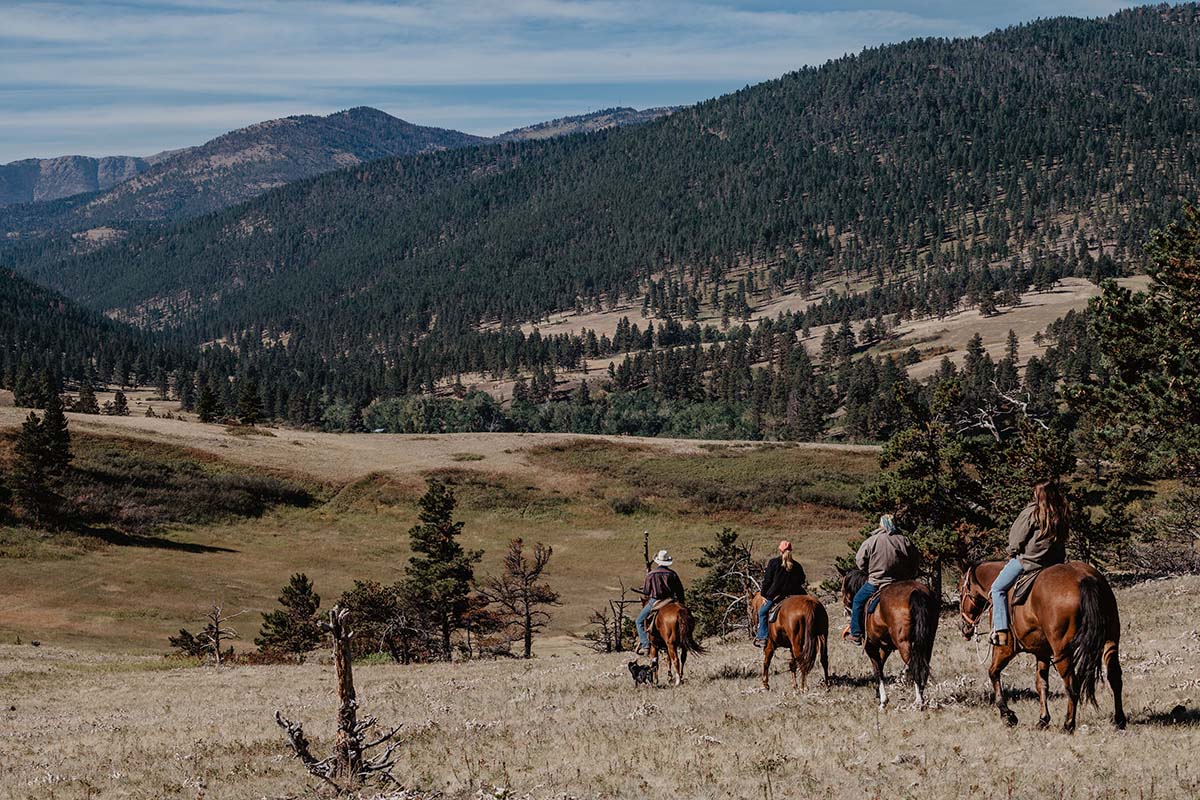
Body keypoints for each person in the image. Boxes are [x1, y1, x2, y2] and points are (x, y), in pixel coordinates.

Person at [990, 481, 1070, 647]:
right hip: (1055, 563)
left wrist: (1012, 550)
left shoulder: (1032, 512)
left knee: (997, 588)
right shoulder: (1062, 512)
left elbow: (1016, 539)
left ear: (1037, 494)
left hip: (1029, 562)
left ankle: (1001, 631)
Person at [847, 514, 918, 646]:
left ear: (881, 525)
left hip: (877, 582)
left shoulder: (871, 541)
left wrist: (868, 570)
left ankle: (856, 633)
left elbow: (859, 561)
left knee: (857, 601)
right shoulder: (904, 540)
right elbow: (915, 559)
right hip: (900, 583)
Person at [755, 539, 807, 646]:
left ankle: (762, 637)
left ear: (780, 550)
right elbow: (802, 580)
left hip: (777, 595)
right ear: (791, 550)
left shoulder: (773, 563)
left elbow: (767, 580)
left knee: (762, 612)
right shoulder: (797, 565)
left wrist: (764, 594)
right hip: (797, 594)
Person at [636, 549, 686, 655]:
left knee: (639, 621)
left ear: (658, 561)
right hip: (670, 600)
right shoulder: (672, 574)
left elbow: (646, 591)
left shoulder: (651, 574)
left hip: (655, 600)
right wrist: (681, 603)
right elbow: (680, 591)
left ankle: (645, 645)